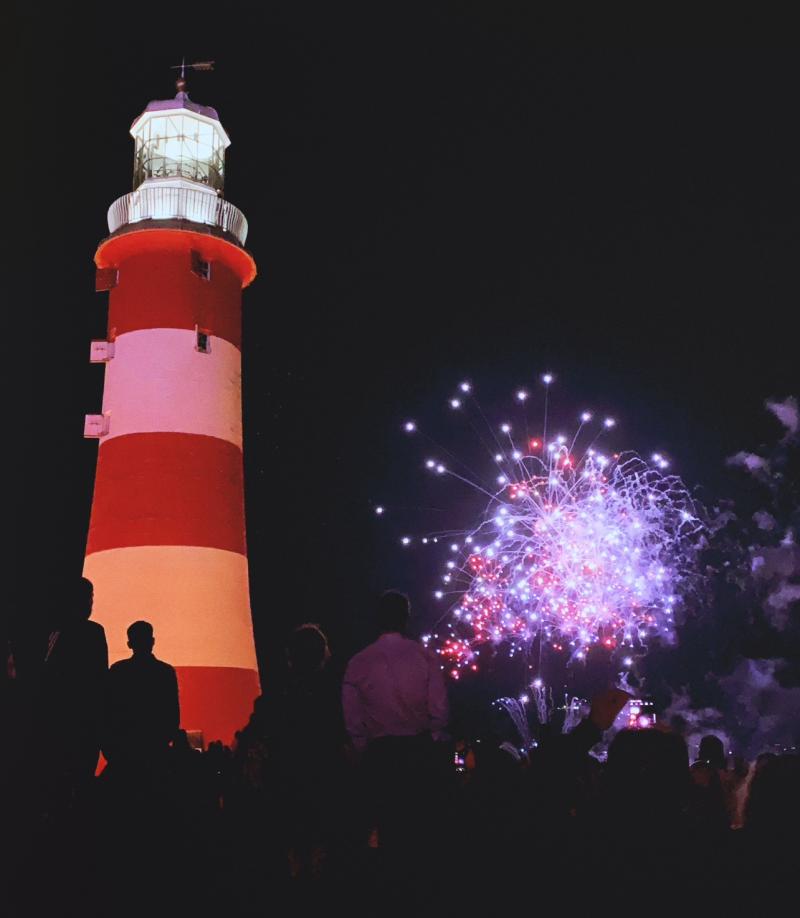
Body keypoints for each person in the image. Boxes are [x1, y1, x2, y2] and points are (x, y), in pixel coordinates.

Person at [342, 591, 450, 861]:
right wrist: (432, 737)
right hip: (418, 751)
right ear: (406, 618)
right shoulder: (426, 657)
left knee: (385, 833)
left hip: (381, 755)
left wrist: (364, 748)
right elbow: (439, 710)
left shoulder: (359, 662)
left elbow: (352, 719)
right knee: (419, 834)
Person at [38, 577, 108, 805]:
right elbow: (99, 679)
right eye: (91, 597)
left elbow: (47, 675)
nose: (92, 603)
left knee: (56, 780)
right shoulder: (93, 632)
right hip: (84, 722)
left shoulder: (54, 632)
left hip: (56, 720)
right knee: (80, 779)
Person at [103, 621, 179, 776]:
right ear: (152, 641)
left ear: (129, 643)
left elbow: (108, 711)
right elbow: (172, 713)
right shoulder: (165, 672)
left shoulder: (118, 671)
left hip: (124, 753)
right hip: (156, 750)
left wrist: (112, 749)